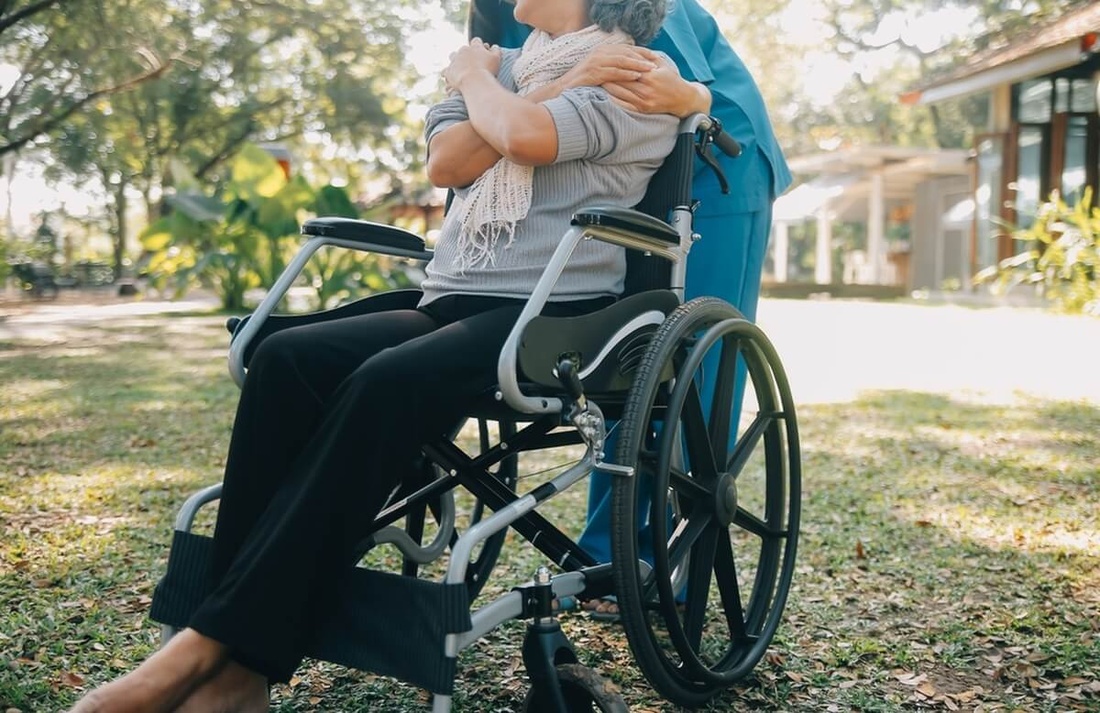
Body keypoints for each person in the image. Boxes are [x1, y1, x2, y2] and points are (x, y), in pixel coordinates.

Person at [67, 1, 677, 711]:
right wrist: (504, 86)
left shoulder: (630, 75)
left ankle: (205, 646)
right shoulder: (503, 69)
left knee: (389, 379)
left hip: (556, 317)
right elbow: (450, 163)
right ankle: (241, 677)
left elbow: (523, 135)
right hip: (450, 297)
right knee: (287, 357)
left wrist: (477, 82)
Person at [469, 0, 793, 619]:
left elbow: (662, 79)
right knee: (628, 356)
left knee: (691, 368)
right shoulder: (494, 14)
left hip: (719, 162)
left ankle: (664, 559)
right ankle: (613, 552)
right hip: (626, 167)